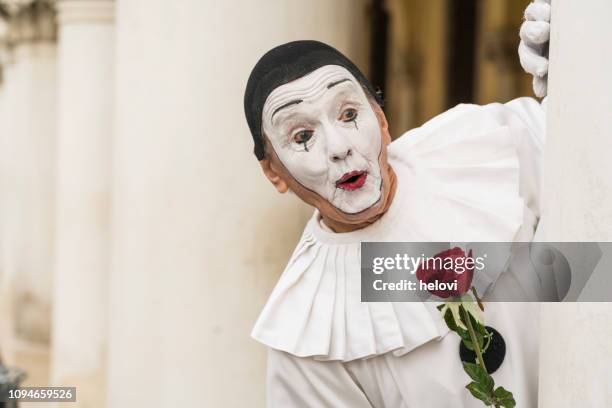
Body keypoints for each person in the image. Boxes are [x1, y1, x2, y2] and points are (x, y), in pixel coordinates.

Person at [243, 2, 551, 406]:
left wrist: (577, 53)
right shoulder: (306, 336)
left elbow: (593, 166)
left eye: (349, 113)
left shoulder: (484, 143)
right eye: (302, 137)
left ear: (382, 121)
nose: (339, 148)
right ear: (274, 173)